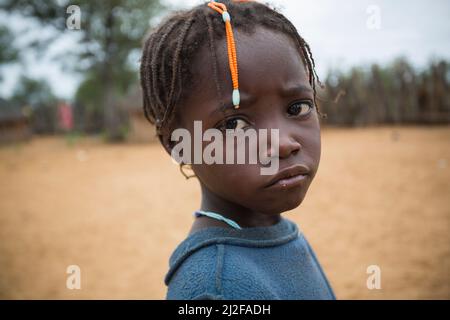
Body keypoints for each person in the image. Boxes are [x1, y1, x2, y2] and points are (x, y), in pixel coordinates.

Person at [140, 0, 335, 300]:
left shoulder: (276, 233)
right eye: (234, 126)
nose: (283, 143)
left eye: (297, 107)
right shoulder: (216, 289)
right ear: (179, 144)